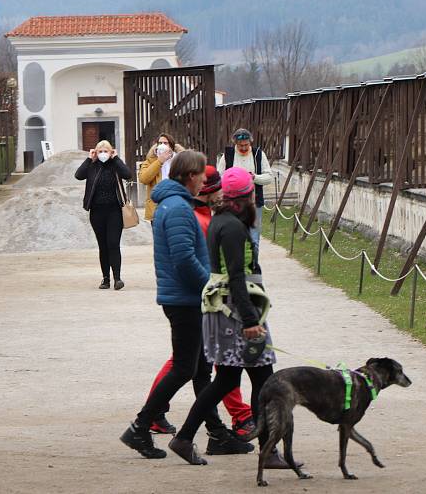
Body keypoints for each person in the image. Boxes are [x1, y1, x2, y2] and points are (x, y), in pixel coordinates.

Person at [167, 167, 299, 470]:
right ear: (243, 199)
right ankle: (269, 452)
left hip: (228, 311)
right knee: (263, 380)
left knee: (229, 379)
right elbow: (236, 277)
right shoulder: (234, 228)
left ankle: (185, 438)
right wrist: (251, 320)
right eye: (251, 194)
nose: (254, 198)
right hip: (237, 312)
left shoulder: (221, 221)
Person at [120, 151, 241, 459]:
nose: (205, 179)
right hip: (185, 300)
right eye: (201, 174)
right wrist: (212, 288)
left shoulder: (177, 204)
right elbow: (184, 259)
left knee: (200, 370)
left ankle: (216, 434)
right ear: (190, 176)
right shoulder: (177, 208)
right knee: (185, 368)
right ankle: (140, 427)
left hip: (186, 297)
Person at [145, 166, 256, 444]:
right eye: (211, 184)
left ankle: (213, 429)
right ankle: (149, 418)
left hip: (198, 298)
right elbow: (192, 262)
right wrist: (214, 292)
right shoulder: (196, 216)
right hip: (198, 299)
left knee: (201, 366)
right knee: (197, 365)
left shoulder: (205, 216)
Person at [75, 140, 133, 290]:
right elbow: (78, 175)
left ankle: (117, 278)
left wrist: (116, 158)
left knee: (113, 244)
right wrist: (89, 158)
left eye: (105, 151)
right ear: (95, 152)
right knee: (103, 246)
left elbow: (128, 174)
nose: (103, 154)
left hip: (114, 211)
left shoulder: (115, 165)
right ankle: (105, 279)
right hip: (97, 212)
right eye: (100, 151)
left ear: (111, 152)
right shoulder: (92, 166)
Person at [216, 128, 273, 262]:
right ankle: (235, 267)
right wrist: (233, 179)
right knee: (233, 236)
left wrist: (254, 177)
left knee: (254, 238)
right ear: (235, 143)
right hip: (232, 203)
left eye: (246, 145)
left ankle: (252, 267)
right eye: (240, 145)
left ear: (250, 143)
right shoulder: (228, 155)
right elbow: (219, 177)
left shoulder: (258, 154)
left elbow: (269, 177)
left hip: (254, 202)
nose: (243, 148)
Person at [138, 133, 184, 221]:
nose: (162, 145)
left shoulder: (180, 159)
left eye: (165, 143)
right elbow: (144, 179)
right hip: (157, 208)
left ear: (171, 146)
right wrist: (159, 161)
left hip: (176, 206)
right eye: (160, 143)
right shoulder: (151, 160)